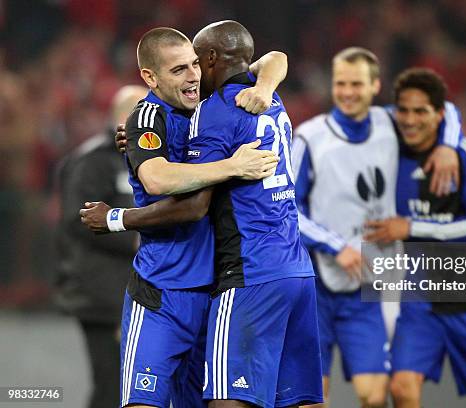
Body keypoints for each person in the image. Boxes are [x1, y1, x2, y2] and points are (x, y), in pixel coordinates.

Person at [81, 21, 323, 408]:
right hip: (164, 292)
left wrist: (264, 87)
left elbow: (274, 58)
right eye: (179, 70)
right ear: (150, 77)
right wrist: (232, 166)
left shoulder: (209, 112)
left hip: (215, 292)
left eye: (194, 64)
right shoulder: (148, 118)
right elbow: (161, 181)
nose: (194, 76)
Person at [291, 47, 462, 407]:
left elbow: (447, 112)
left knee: (374, 396)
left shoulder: (390, 123)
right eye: (340, 83)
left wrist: (447, 146)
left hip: (366, 287)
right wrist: (336, 246)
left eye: (356, 84)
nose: (347, 92)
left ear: (375, 85)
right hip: (315, 286)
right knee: (312, 398)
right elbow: (288, 210)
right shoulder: (309, 137)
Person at [364, 68, 466, 408]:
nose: (410, 119)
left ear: (438, 114)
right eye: (403, 110)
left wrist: (411, 227)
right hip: (418, 299)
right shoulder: (391, 151)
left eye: (420, 111)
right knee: (402, 388)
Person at [54, 85, 147, 408]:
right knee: (113, 385)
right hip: (103, 294)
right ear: (122, 117)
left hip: (137, 292)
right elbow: (77, 220)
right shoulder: (92, 161)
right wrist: (139, 235)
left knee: (137, 386)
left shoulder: (151, 158)